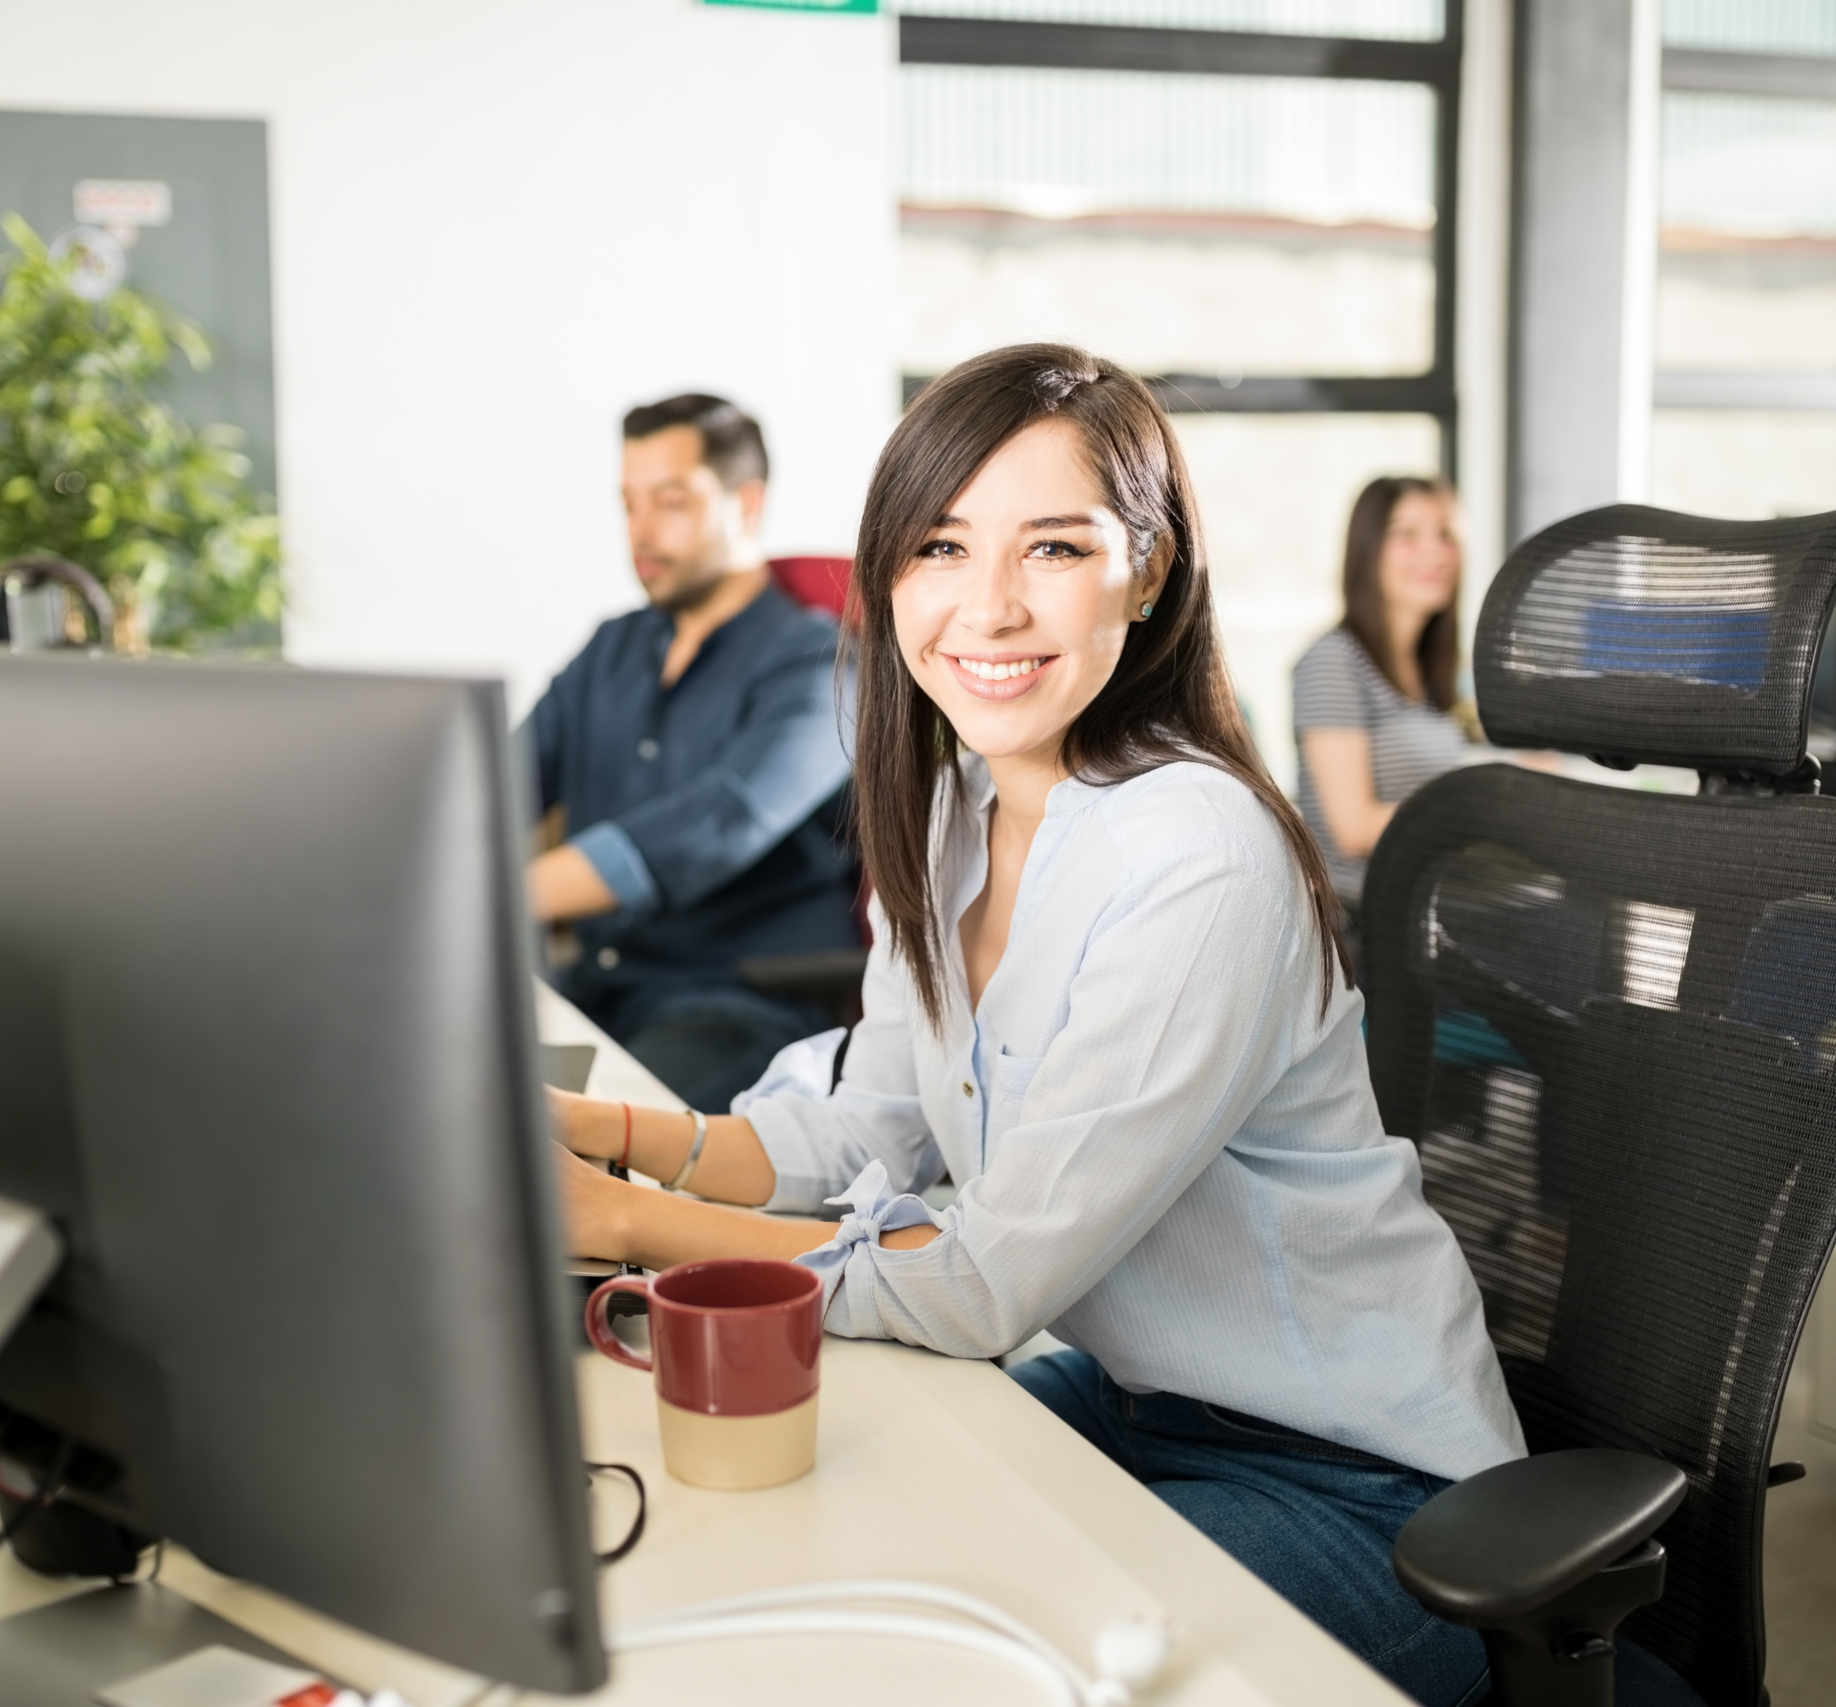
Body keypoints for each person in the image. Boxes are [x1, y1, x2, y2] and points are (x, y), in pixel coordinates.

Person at [544, 346, 1529, 1707]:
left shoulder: (1200, 852)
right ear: (889, 575)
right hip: (1129, 1402)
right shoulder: (956, 805)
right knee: (785, 1567)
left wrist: (615, 1218)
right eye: (941, 545)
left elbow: (981, 1279)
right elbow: (860, 1122)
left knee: (969, 1677)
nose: (988, 605)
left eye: (1054, 546)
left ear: (1148, 568)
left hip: (1358, 1484)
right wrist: (591, 1132)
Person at [526, 393, 860, 1113]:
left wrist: (500, 894)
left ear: (746, 504)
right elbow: (491, 787)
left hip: (739, 1004)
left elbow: (721, 822)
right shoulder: (611, 648)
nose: (640, 531)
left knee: (560, 1149)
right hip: (600, 988)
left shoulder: (820, 665)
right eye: (628, 504)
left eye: (670, 502)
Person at [1291, 476, 1478, 936]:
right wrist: (1486, 805)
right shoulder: (1334, 662)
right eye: (1407, 535)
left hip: (1428, 906)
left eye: (1445, 534)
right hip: (1367, 922)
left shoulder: (1430, 672)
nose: (1434, 553)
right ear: (1368, 550)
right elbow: (1352, 827)